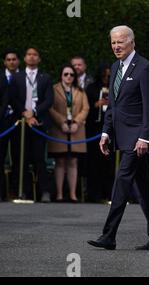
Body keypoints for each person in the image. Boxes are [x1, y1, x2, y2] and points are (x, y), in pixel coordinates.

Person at [88, 25, 149, 251]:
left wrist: (145, 138)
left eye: (120, 42)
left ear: (132, 42)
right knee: (142, 187)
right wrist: (105, 132)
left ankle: (109, 235)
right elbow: (113, 105)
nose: (116, 46)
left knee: (122, 181)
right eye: (113, 42)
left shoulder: (144, 68)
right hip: (122, 136)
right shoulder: (115, 67)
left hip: (137, 138)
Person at [9, 47, 53, 202]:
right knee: (22, 158)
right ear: (24, 58)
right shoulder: (17, 77)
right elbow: (13, 99)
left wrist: (33, 112)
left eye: (35, 54)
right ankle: (24, 191)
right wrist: (25, 114)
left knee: (40, 158)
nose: (32, 57)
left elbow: (49, 100)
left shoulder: (45, 77)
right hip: (21, 123)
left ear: (39, 58)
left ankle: (44, 192)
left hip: (39, 123)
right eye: (29, 54)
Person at [48, 64, 89, 202]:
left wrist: (77, 122)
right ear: (61, 75)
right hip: (60, 129)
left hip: (76, 130)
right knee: (59, 161)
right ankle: (59, 194)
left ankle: (72, 194)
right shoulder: (54, 89)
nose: (69, 77)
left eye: (71, 74)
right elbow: (51, 108)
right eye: (66, 74)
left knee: (73, 161)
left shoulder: (80, 91)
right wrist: (62, 122)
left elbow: (85, 108)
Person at [85, 63, 115, 203]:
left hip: (111, 129)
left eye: (109, 76)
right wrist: (96, 105)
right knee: (93, 164)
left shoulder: (115, 87)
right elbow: (86, 108)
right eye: (104, 75)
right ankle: (94, 194)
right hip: (94, 129)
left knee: (109, 164)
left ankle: (109, 193)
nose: (106, 78)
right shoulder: (91, 89)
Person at [0, 50, 21, 201]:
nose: (11, 62)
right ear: (4, 62)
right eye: (9, 59)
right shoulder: (1, 77)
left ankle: (15, 191)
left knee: (18, 157)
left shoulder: (23, 77)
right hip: (2, 121)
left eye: (14, 59)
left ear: (18, 61)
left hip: (19, 122)